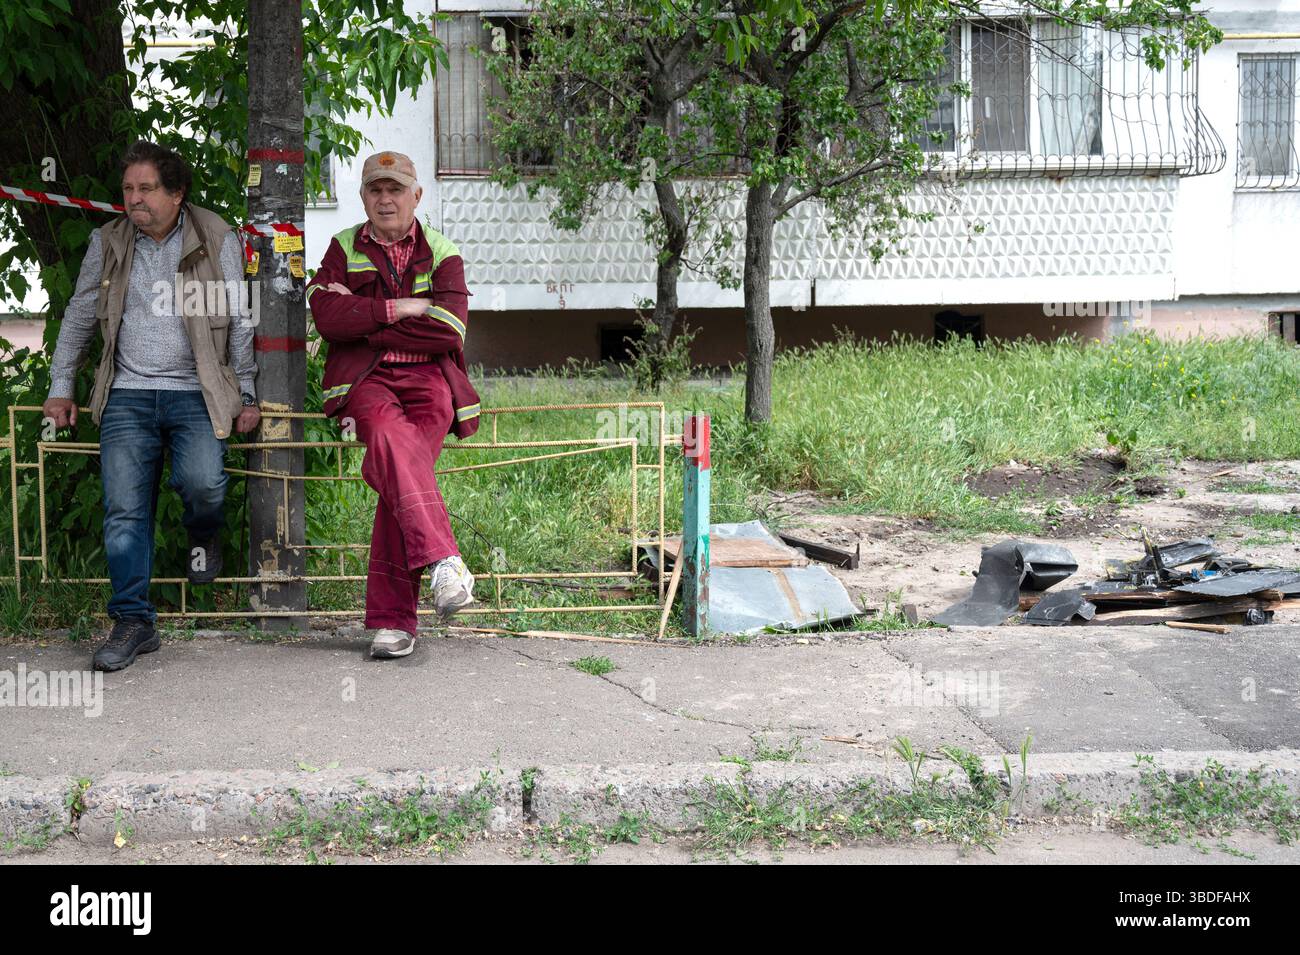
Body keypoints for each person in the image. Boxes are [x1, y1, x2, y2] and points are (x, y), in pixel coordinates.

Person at [42, 140, 259, 672]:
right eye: (128, 189)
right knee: (123, 512)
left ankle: (202, 532)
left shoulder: (215, 236)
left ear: (176, 193)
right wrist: (61, 385)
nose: (133, 199)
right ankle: (133, 622)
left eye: (145, 189)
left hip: (197, 392)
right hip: (127, 394)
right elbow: (78, 315)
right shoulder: (110, 241)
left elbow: (240, 319)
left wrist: (246, 393)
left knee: (205, 485)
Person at [305, 150, 481, 659]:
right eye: (375, 190)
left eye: (396, 189)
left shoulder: (443, 250)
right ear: (362, 197)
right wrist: (399, 307)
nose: (385, 199)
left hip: (431, 382)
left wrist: (366, 318)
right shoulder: (343, 246)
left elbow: (448, 328)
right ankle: (444, 561)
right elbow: (327, 318)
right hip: (367, 380)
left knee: (398, 481)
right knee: (390, 443)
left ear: (416, 196)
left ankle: (394, 624)